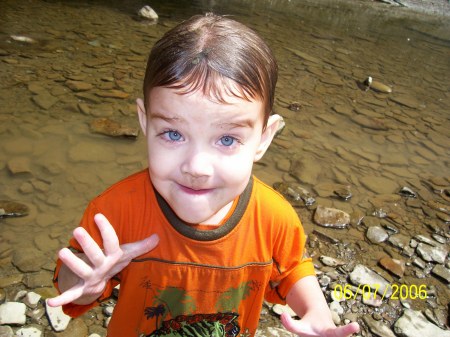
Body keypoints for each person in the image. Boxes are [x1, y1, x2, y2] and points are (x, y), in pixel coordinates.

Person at [49, 13, 360, 337]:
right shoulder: (114, 213)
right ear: (145, 121)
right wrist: (87, 282)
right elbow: (69, 283)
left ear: (264, 138)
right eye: (172, 134)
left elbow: (292, 269)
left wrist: (316, 311)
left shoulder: (273, 218)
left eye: (227, 139)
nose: (196, 166)